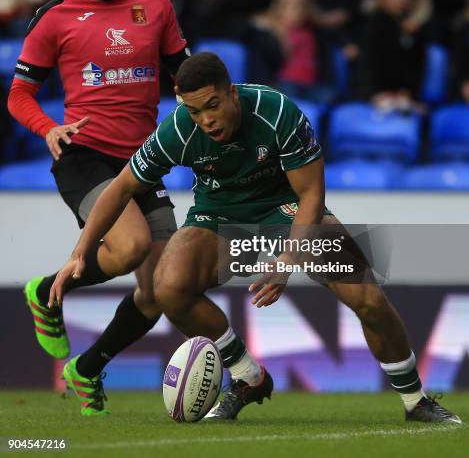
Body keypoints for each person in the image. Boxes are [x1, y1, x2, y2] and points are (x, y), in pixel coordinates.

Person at [49, 52, 462, 424]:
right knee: (167, 288)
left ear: (232, 93)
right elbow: (121, 188)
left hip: (285, 208)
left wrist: (287, 261)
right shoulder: (177, 130)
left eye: (213, 105)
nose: (206, 120)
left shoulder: (276, 110)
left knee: (368, 298)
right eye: (195, 111)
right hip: (218, 215)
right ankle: (249, 378)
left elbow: (312, 195)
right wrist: (81, 252)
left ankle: (417, 400)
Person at [7, 0, 189, 416]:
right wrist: (49, 128)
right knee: (129, 247)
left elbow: (185, 75)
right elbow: (19, 94)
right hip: (83, 155)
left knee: (163, 288)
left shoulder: (154, 7)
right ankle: (46, 291)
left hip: (143, 161)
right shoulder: (55, 17)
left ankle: (86, 368)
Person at [361, 0, 434, 112]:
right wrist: (375, 94)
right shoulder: (375, 23)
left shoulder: (420, 28)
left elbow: (418, 68)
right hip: (374, 94)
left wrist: (408, 93)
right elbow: (367, 65)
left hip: (405, 96)